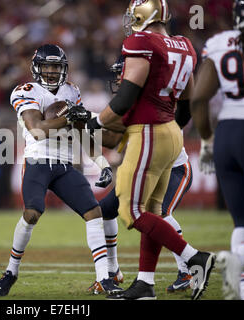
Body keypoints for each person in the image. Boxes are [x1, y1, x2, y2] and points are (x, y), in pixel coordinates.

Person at [85, 0, 215, 300]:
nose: (130, 21)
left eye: (134, 15)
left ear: (145, 15)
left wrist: (95, 122)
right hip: (171, 131)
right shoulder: (184, 44)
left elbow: (125, 98)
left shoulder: (141, 41)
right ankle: (145, 283)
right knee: (153, 211)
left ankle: (195, 258)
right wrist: (168, 128)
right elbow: (187, 104)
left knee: (130, 212)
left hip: (150, 130)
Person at [0, 44, 123, 297]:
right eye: (47, 66)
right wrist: (67, 116)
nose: (52, 71)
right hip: (38, 161)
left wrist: (102, 163)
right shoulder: (26, 91)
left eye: (56, 66)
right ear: (36, 68)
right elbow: (38, 130)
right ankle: (11, 271)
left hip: (64, 164)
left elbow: (80, 131)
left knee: (94, 212)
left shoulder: (71, 91)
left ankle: (104, 278)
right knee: (32, 214)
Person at [88, 56, 194, 296]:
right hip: (144, 171)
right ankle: (113, 270)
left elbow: (114, 136)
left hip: (172, 168)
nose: (117, 79)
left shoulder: (145, 99)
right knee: (104, 210)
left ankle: (189, 266)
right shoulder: (132, 98)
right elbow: (115, 135)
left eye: (121, 74)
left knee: (159, 214)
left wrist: (86, 122)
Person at [190, 0, 244, 300]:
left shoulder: (219, 43)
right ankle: (239, 260)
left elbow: (199, 99)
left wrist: (208, 140)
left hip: (225, 133)